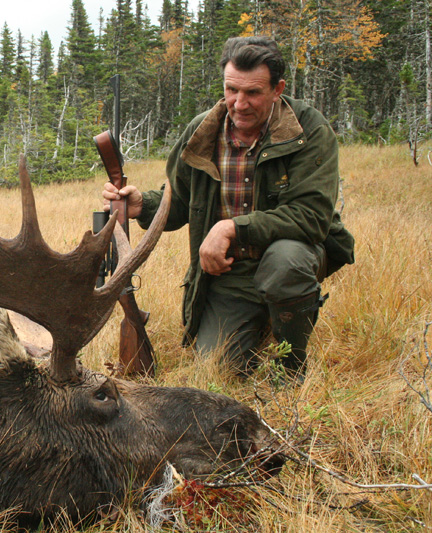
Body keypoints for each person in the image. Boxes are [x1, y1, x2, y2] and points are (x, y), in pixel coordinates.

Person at [102, 36, 354, 378]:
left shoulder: (307, 129)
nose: (239, 103)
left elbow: (311, 218)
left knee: (285, 265)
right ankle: (268, 318)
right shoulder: (203, 131)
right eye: (231, 89)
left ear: (278, 88)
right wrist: (142, 204)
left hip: (290, 255)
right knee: (217, 370)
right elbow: (180, 202)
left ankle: (291, 366)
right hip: (230, 272)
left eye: (253, 92)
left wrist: (230, 227)